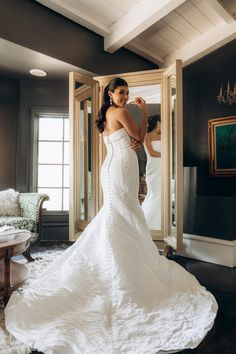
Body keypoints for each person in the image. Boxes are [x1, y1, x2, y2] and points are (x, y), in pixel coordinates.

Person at [5, 77, 217, 354]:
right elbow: (139, 140)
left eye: (127, 93)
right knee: (124, 212)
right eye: (121, 92)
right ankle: (117, 262)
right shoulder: (121, 111)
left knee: (119, 212)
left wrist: (135, 128)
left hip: (114, 167)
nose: (125, 96)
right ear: (110, 93)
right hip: (121, 167)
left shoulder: (104, 112)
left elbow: (135, 144)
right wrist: (141, 113)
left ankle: (112, 256)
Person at [142, 114, 162, 230]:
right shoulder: (146, 136)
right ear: (158, 123)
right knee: (155, 193)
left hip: (163, 168)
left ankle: (160, 224)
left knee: (162, 195)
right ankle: (148, 224)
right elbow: (151, 153)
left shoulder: (164, 136)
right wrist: (166, 156)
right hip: (152, 169)